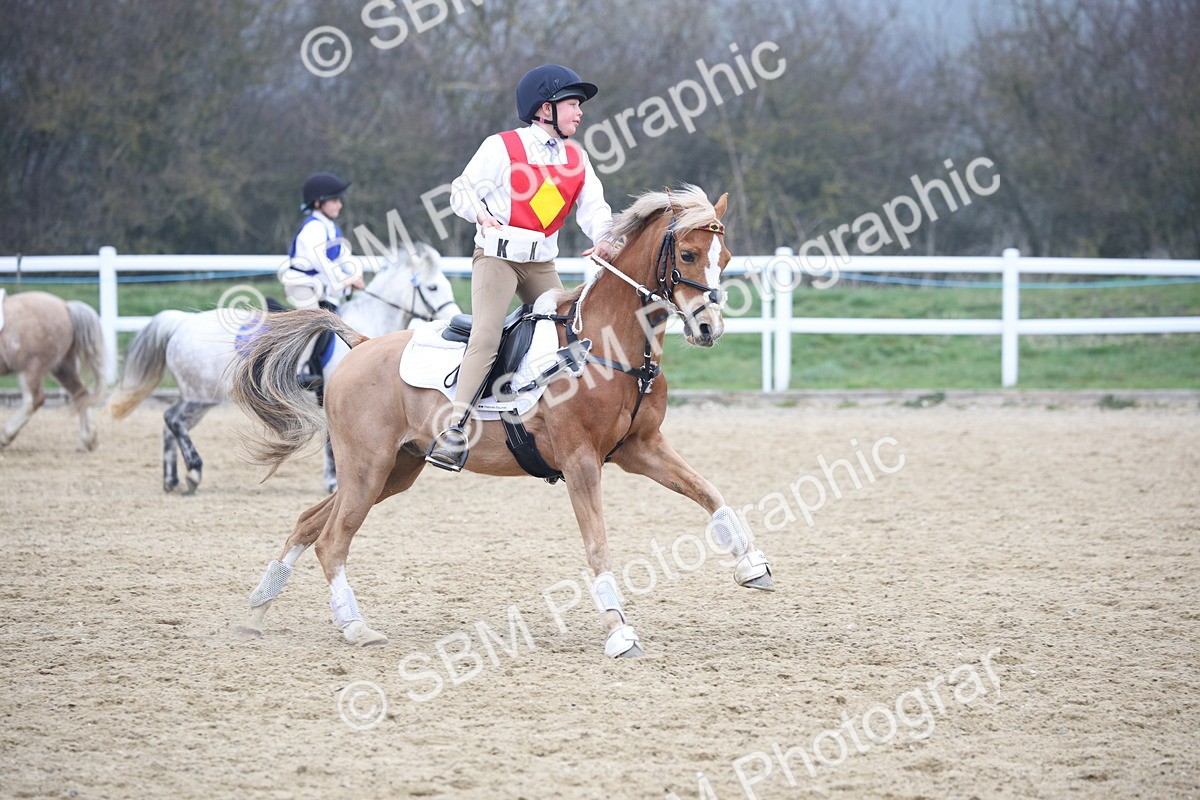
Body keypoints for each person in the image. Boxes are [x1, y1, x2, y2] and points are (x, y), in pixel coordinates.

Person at [426, 64, 615, 471]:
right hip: (497, 258)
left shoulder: (577, 158)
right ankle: (455, 429)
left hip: (540, 264)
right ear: (544, 109)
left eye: (579, 105)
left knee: (572, 331)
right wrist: (480, 215)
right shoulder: (501, 147)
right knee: (488, 333)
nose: (580, 112)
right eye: (572, 104)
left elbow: (594, 207)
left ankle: (566, 422)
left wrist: (603, 236)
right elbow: (462, 189)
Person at [281, 172, 365, 391]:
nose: (339, 205)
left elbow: (343, 256)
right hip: (302, 285)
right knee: (312, 324)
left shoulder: (330, 226)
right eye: (334, 200)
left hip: (320, 285)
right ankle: (300, 370)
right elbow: (323, 263)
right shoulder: (313, 228)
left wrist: (356, 272)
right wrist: (346, 280)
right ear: (318, 203)